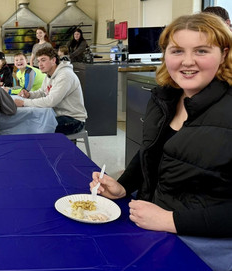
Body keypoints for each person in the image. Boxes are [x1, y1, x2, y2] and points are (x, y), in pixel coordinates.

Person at [89, 13, 232, 270]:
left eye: (201, 50)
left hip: (207, 246)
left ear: (223, 53)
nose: (188, 62)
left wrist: (171, 220)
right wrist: (124, 186)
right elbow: (152, 151)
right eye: (177, 50)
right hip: (154, 223)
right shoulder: (165, 98)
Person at [15, 47, 87, 135]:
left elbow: (50, 101)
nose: (40, 64)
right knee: (30, 122)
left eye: (43, 60)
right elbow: (42, 92)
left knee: (36, 126)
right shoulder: (49, 74)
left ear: (53, 60)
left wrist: (24, 103)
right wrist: (29, 95)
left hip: (73, 119)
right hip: (57, 114)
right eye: (38, 61)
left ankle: (49, 148)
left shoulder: (65, 75)